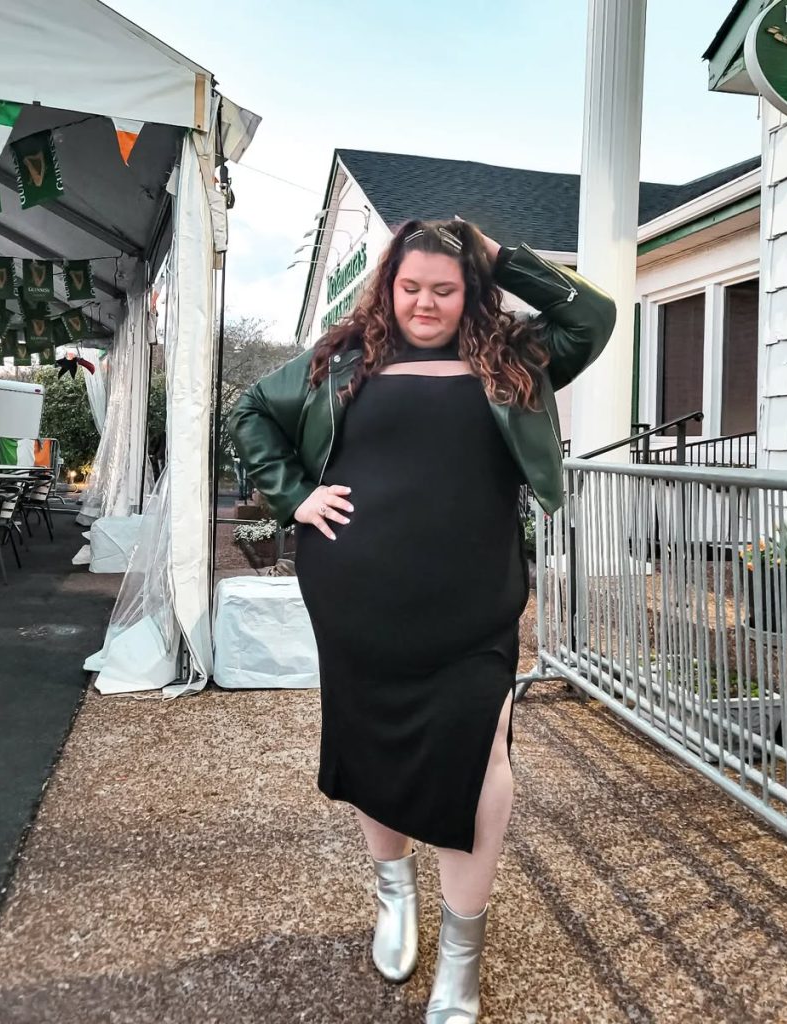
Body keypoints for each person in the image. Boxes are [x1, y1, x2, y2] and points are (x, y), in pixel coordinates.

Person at [228, 219, 616, 1022]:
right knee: (375, 747)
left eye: (444, 289)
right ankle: (394, 895)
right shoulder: (343, 360)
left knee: (477, 768)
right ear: (388, 285)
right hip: (357, 599)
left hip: (473, 601)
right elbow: (250, 412)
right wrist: (295, 494)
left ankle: (461, 958)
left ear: (470, 289)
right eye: (410, 288)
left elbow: (594, 317)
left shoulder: (517, 357)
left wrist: (503, 254)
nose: (424, 304)